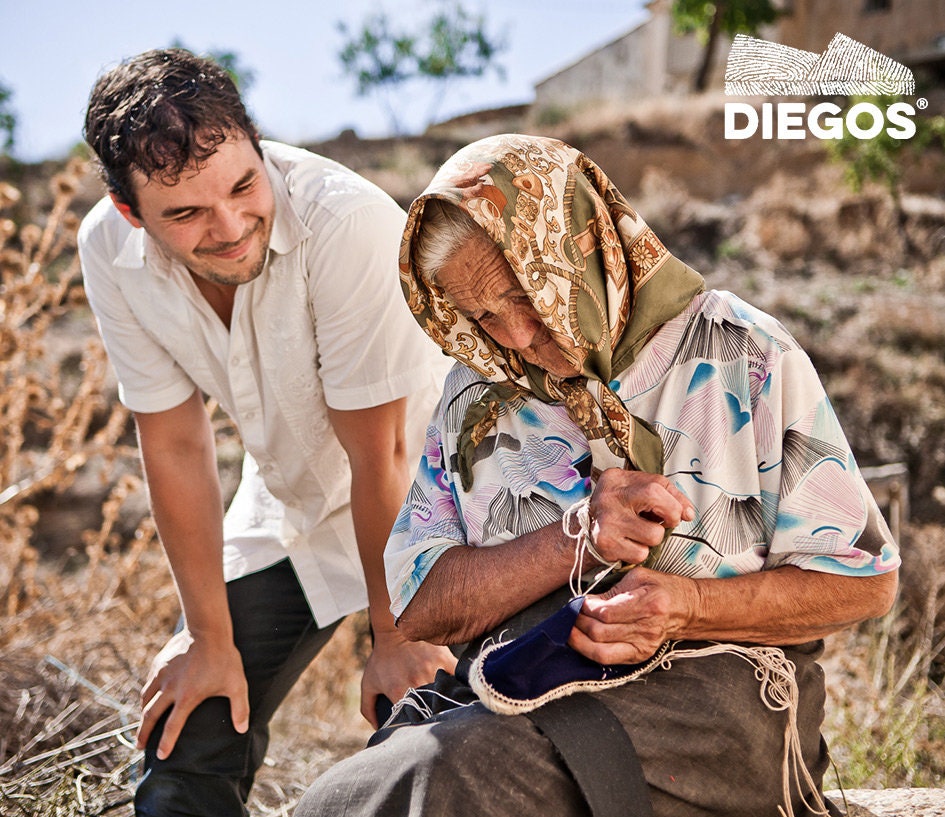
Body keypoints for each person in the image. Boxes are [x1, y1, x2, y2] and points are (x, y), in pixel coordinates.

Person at [295, 134, 901, 817]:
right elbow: (423, 607)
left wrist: (685, 605)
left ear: (581, 246)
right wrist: (573, 538)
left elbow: (865, 583)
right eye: (484, 316)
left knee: (455, 775)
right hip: (521, 691)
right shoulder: (477, 392)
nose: (515, 337)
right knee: (333, 799)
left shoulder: (740, 349)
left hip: (707, 710)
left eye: (522, 294)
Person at [77, 48, 456, 816]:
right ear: (131, 213)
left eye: (244, 186)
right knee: (185, 743)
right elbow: (176, 442)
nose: (229, 228)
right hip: (290, 506)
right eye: (184, 214)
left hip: (434, 510)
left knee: (431, 740)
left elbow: (377, 453)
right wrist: (206, 638)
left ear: (257, 143)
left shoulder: (346, 222)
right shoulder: (108, 250)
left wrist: (393, 634)